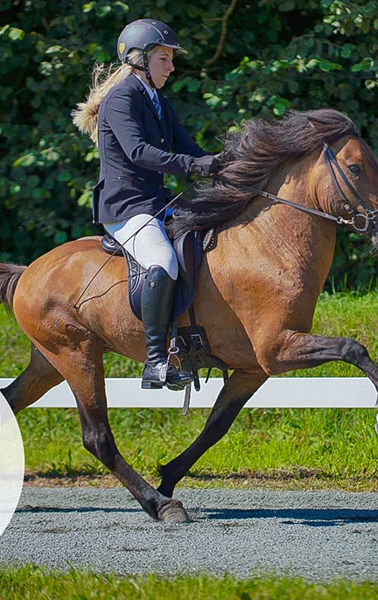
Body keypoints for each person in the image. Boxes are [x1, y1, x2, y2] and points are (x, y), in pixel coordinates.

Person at [72, 19, 220, 391]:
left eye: (170, 59)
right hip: (125, 207)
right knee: (163, 260)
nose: (171, 67)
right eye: (164, 58)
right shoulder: (123, 98)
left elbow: (190, 148)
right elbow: (139, 152)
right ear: (139, 59)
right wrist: (193, 166)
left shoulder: (157, 100)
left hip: (153, 203)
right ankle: (156, 362)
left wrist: (227, 166)